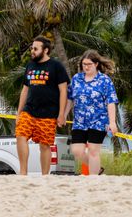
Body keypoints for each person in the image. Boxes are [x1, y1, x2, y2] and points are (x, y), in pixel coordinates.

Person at [15, 35, 69, 176]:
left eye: (35, 49)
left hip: (49, 112)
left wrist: (61, 114)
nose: (32, 51)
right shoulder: (30, 65)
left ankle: (45, 176)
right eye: (32, 48)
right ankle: (23, 173)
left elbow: (63, 90)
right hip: (29, 110)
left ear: (45, 50)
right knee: (20, 136)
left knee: (45, 146)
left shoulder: (56, 66)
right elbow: (25, 90)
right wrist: (19, 112)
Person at [63, 50, 118, 176]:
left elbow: (111, 102)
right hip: (80, 122)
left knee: (94, 151)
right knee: (77, 151)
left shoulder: (105, 80)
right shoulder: (77, 79)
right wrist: (65, 114)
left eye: (89, 64)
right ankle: (97, 169)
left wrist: (112, 122)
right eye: (84, 64)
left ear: (96, 64)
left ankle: (93, 180)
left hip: (98, 121)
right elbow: (70, 98)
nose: (86, 67)